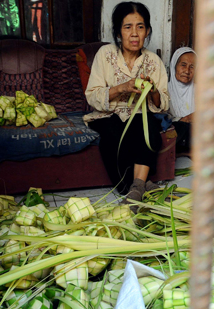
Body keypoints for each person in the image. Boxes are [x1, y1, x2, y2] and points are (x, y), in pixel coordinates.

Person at [83, 2, 169, 206]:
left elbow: (163, 104)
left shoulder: (153, 61)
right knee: (114, 134)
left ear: (147, 31)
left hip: (141, 114)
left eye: (140, 27)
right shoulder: (105, 54)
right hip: (107, 115)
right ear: (118, 32)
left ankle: (137, 187)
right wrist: (121, 88)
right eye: (127, 27)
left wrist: (153, 90)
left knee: (149, 130)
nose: (134, 34)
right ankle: (142, 184)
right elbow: (92, 96)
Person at [168, 47, 196, 154]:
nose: (187, 71)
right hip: (171, 142)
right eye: (183, 65)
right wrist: (187, 119)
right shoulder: (163, 91)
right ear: (174, 66)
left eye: (192, 67)